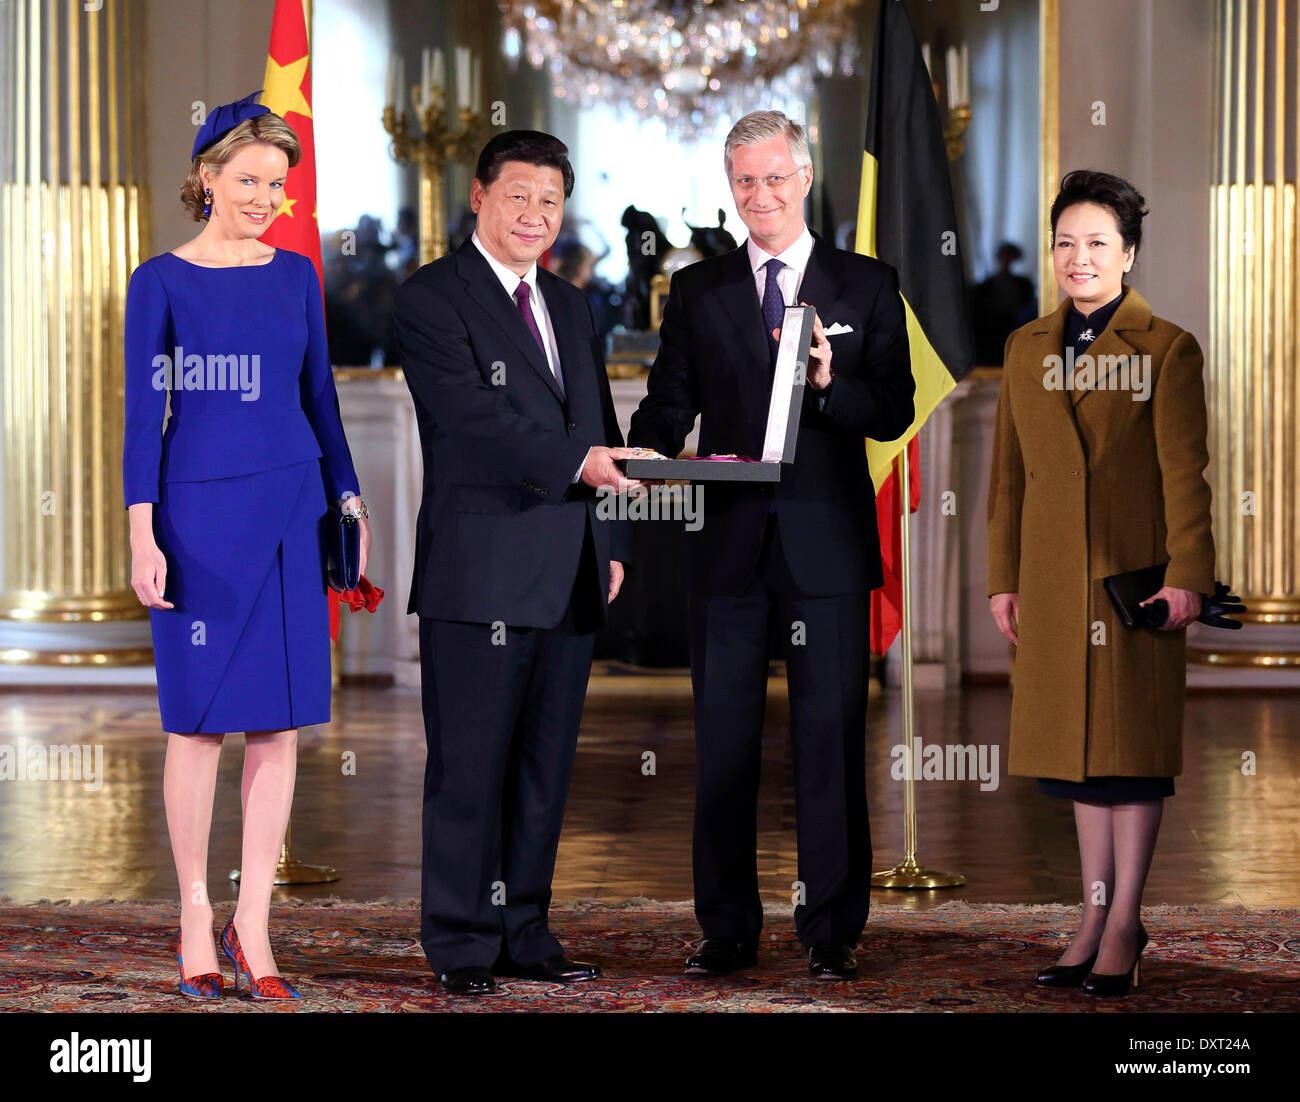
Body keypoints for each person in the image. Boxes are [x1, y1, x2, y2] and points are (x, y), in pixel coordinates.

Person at [629, 110, 914, 979]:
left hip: (825, 550)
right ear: (731, 187)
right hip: (726, 550)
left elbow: (893, 408)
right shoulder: (699, 289)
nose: (761, 195)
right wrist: (649, 448)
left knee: (829, 742)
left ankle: (831, 931)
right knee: (723, 746)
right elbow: (668, 403)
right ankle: (726, 929)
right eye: (745, 181)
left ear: (804, 176)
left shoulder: (865, 283)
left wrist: (832, 384)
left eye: (775, 178)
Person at [123, 91, 369, 1000]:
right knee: (198, 726)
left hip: (292, 514)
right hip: (196, 524)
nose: (266, 197)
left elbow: (320, 399)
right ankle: (195, 912)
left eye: (278, 183)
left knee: (278, 726)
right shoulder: (161, 281)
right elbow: (143, 418)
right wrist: (143, 532)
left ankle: (254, 924)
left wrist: (348, 497)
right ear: (207, 178)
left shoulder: (296, 274)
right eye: (250, 180)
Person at [392, 130, 636, 997]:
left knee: (543, 769)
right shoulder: (432, 298)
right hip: (480, 571)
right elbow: (469, 424)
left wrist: (606, 543)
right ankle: (460, 943)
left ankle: (525, 932)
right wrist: (579, 469)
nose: (536, 214)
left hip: (568, 566)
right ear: (479, 198)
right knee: (471, 769)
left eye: (550, 201)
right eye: (519, 196)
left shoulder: (571, 305)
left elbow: (594, 423)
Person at [986, 169, 1216, 997]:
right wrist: (1001, 580)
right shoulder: (1024, 347)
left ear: (1128, 253)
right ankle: (1092, 912)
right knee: (1076, 762)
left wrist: (1190, 577)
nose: (1077, 258)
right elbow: (1007, 479)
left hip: (1132, 580)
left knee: (1130, 756)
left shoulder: (1168, 348)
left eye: (1095, 243)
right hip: (1049, 582)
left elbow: (1186, 474)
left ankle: (1125, 923)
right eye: (1064, 243)